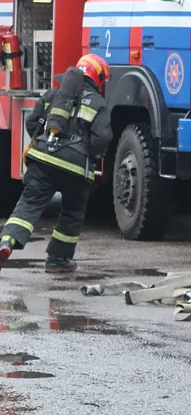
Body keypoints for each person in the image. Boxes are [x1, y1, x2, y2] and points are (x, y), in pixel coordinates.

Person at [0, 54, 112, 275]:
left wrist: (46, 144)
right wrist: (87, 154)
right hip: (75, 168)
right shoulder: (99, 104)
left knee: (29, 204)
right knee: (72, 211)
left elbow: (32, 123)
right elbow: (102, 139)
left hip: (42, 159)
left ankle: (7, 242)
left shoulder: (53, 95)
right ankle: (57, 260)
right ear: (97, 79)